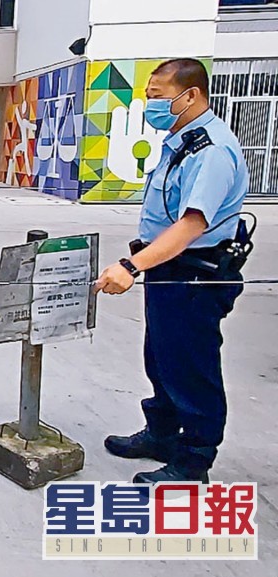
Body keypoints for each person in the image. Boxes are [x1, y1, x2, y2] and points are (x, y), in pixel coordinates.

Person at [96, 58, 249, 484]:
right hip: (167, 269)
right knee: (161, 357)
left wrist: (131, 265)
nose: (151, 105)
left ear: (191, 95)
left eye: (158, 97)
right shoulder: (181, 141)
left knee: (190, 366)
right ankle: (162, 434)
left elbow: (190, 225)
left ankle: (193, 460)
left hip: (194, 275)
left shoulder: (212, 152)